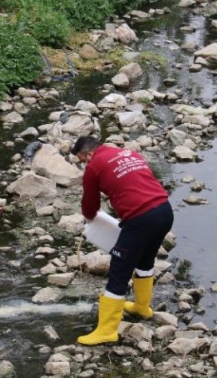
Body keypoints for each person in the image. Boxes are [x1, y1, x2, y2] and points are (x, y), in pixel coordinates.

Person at [71, 135, 174, 346]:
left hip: (140, 219)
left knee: (119, 271)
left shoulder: (94, 167)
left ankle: (107, 330)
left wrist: (90, 218)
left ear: (89, 153)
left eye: (83, 160)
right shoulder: (129, 153)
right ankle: (142, 308)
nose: (85, 164)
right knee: (145, 261)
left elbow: (90, 207)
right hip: (164, 211)